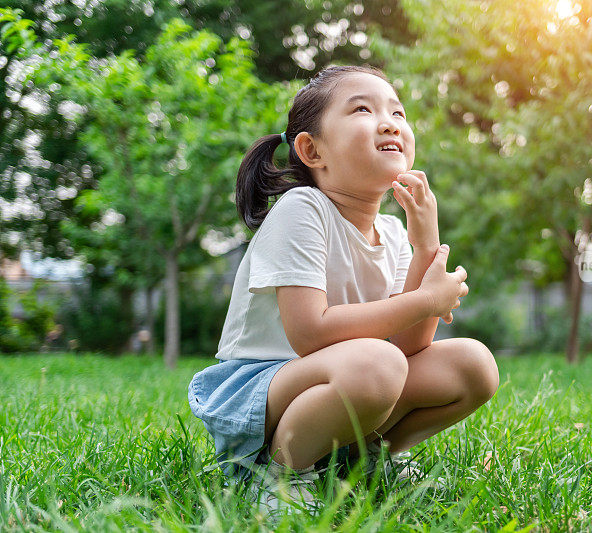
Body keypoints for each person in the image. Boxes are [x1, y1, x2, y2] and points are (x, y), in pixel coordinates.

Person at [187, 64, 499, 512]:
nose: (390, 121)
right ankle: (278, 473)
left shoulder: (392, 233)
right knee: (378, 362)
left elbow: (410, 345)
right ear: (313, 151)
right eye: (362, 109)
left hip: (351, 375)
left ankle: (363, 460)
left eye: (397, 112)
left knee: (474, 365)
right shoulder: (302, 209)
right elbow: (310, 333)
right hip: (261, 392)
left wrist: (425, 241)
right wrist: (427, 299)